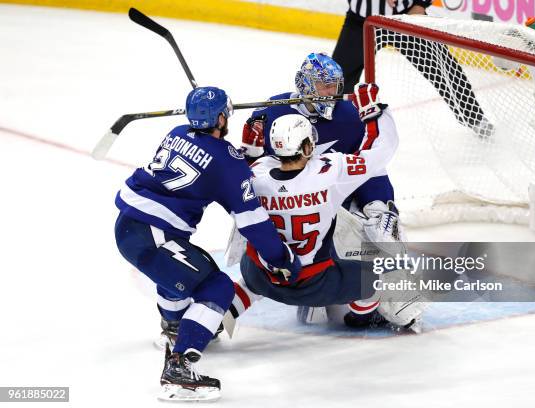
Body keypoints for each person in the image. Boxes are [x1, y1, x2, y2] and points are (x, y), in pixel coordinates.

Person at [114, 86, 300, 401]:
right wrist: (280, 257)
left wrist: (238, 159)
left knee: (180, 274)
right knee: (216, 288)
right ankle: (180, 368)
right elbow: (252, 221)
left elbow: (207, 158)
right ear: (222, 117)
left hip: (130, 225)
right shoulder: (228, 164)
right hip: (152, 234)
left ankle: (174, 327)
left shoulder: (177, 132)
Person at [229, 83, 424, 334]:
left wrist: (248, 152)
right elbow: (380, 150)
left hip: (264, 274)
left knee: (246, 283)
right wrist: (374, 113)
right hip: (315, 281)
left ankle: (203, 324)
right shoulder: (329, 172)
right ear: (309, 146)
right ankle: (362, 317)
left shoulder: (257, 174)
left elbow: (232, 175)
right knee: (375, 278)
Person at [331, 0, 494, 137]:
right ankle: (333, 124)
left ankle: (474, 118)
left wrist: (420, 4)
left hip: (407, 16)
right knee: (337, 81)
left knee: (443, 68)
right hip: (361, 21)